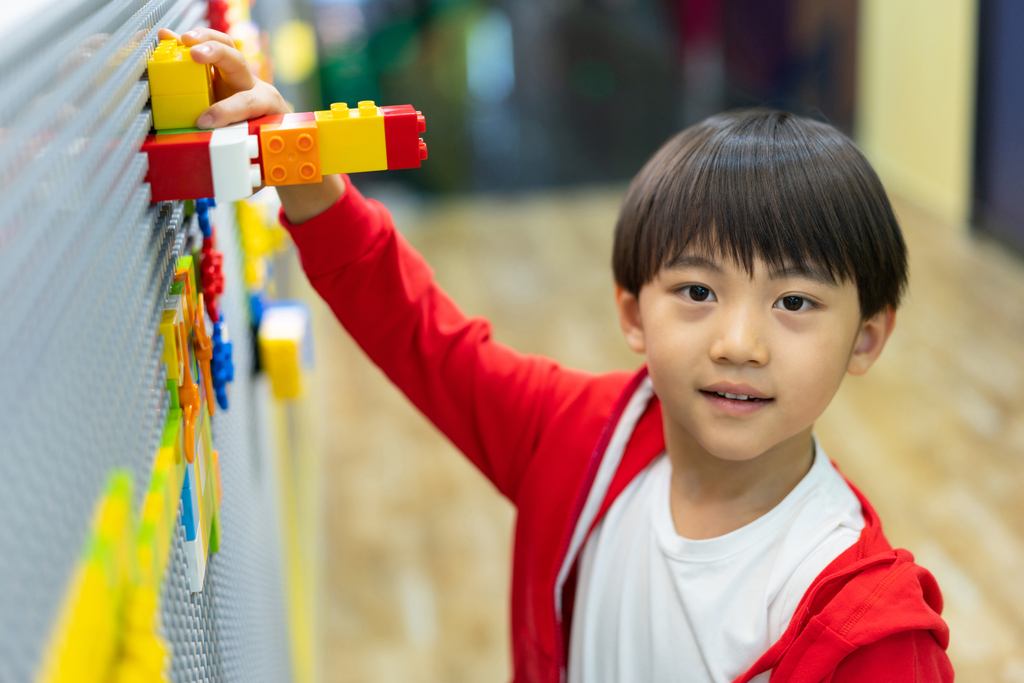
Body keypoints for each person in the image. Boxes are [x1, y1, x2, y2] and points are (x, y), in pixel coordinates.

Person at [164, 27, 953, 683]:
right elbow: (419, 336)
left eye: (794, 303)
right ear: (630, 312)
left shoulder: (873, 636)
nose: (737, 344)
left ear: (869, 336)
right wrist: (299, 170)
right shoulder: (579, 437)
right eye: (697, 292)